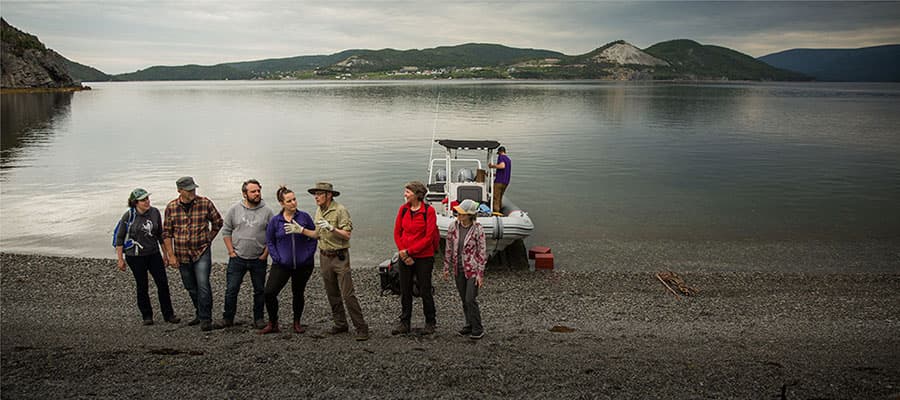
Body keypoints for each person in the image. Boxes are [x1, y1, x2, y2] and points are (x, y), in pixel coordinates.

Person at [301, 181, 369, 341]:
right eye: (315, 194)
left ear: (329, 195)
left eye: (319, 194)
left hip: (340, 257)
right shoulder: (319, 210)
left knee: (348, 294)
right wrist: (301, 230)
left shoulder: (340, 210)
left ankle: (362, 328)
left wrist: (332, 228)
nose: (316, 197)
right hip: (324, 256)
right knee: (332, 293)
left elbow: (347, 234)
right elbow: (317, 234)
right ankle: (340, 324)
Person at [163, 176, 223, 332]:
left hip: (201, 251)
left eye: (193, 189)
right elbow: (167, 233)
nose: (192, 192)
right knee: (190, 286)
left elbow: (218, 222)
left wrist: (209, 238)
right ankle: (199, 312)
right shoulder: (171, 207)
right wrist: (171, 255)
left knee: (203, 284)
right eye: (188, 190)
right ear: (179, 190)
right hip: (182, 254)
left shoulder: (205, 203)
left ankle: (206, 319)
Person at [214, 179, 274, 330]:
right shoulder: (235, 209)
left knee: (259, 290)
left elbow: (272, 235)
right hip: (238, 258)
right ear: (245, 193)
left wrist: (265, 254)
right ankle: (228, 318)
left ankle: (258, 318)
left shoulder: (267, 211)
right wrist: (231, 252)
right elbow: (226, 230)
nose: (257, 194)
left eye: (258, 191)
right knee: (232, 289)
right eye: (253, 191)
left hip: (258, 259)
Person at [115, 188, 180, 326]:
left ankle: (168, 314)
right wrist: (120, 259)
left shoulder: (155, 212)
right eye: (143, 200)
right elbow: (119, 239)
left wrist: (166, 254)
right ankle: (147, 315)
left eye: (147, 199)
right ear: (135, 202)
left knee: (162, 283)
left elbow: (160, 235)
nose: (147, 202)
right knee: (142, 285)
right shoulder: (128, 216)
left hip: (153, 253)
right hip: (135, 256)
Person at [259, 186, 317, 335]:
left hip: (303, 265)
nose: (293, 203)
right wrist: (277, 258)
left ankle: (296, 322)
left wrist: (308, 255)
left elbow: (313, 237)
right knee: (269, 293)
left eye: (294, 199)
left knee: (298, 293)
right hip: (281, 264)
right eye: (289, 201)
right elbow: (270, 241)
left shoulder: (304, 217)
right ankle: (273, 323)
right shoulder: (275, 221)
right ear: (282, 203)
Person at [392, 181, 438, 335]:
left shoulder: (428, 211)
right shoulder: (403, 209)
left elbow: (429, 237)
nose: (405, 194)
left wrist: (409, 252)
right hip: (405, 256)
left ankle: (430, 322)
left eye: (408, 192)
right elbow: (397, 232)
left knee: (425, 290)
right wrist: (403, 253)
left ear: (417, 195)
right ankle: (405, 323)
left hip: (424, 257)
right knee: (405, 290)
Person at [442, 199, 486, 340]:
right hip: (458, 269)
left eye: (461, 213)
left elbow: (482, 253)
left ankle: (478, 328)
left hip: (472, 269)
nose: (458, 215)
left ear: (469, 215)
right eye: (458, 212)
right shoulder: (453, 227)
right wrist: (446, 267)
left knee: (470, 299)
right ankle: (469, 324)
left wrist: (480, 274)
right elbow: (448, 248)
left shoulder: (478, 229)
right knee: (463, 299)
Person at [488, 145, 511, 213]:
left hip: (499, 182)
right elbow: (504, 171)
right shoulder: (508, 159)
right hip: (506, 182)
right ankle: (500, 211)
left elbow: (502, 166)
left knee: (495, 198)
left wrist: (492, 166)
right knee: (500, 197)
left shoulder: (501, 157)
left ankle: (496, 213)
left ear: (500, 152)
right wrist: (493, 175)